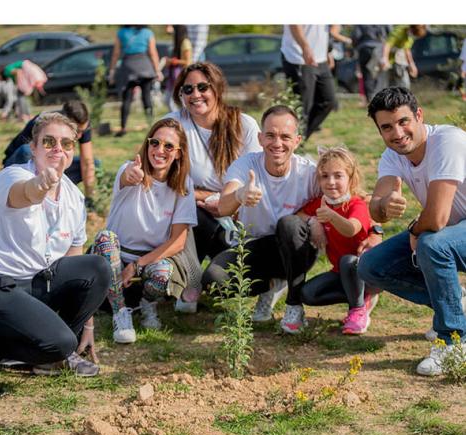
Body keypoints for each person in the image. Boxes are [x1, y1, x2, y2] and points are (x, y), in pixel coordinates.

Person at [0, 112, 112, 378]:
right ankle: (3, 348)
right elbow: (25, 194)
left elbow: (72, 260)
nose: (58, 149)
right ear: (33, 147)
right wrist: (40, 185)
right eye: (49, 142)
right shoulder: (12, 176)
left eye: (66, 144)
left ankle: (55, 350)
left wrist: (87, 326)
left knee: (97, 267)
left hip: (31, 281)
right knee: (60, 341)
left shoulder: (74, 197)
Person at [358, 86, 466, 376]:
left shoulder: (448, 141)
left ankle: (454, 343)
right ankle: (457, 304)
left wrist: (414, 230)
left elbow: (437, 218)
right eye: (387, 127)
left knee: (432, 243)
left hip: (446, 231)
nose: (397, 132)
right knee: (371, 265)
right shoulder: (393, 155)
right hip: (452, 232)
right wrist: (384, 205)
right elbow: (375, 208)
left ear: (419, 115)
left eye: (403, 121)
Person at [202, 105, 321, 330]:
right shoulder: (246, 165)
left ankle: (294, 306)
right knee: (214, 280)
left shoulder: (309, 173)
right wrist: (240, 194)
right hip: (256, 246)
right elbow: (225, 206)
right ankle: (271, 285)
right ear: (260, 138)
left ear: (297, 140)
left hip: (297, 246)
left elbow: (342, 198)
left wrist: (311, 216)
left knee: (289, 224)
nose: (277, 143)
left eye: (285, 137)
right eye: (270, 135)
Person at [166, 62, 263, 311]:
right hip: (199, 217)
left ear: (217, 88)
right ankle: (190, 282)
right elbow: (162, 179)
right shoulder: (174, 126)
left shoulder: (244, 125)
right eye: (187, 90)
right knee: (190, 209)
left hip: (240, 221)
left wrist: (225, 200)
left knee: (221, 279)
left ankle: (271, 281)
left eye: (202, 87)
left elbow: (259, 179)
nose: (195, 95)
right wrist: (205, 196)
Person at [91, 118, 198, 338]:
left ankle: (147, 304)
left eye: (169, 146)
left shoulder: (183, 184)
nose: (160, 150)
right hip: (115, 257)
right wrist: (131, 174)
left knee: (164, 271)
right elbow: (127, 175)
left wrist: (138, 265)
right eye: (155, 142)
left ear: (178, 153)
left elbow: (178, 241)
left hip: (148, 261)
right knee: (104, 238)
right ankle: (120, 314)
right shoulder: (130, 171)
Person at [299, 146, 378, 335]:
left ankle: (358, 310)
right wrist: (313, 222)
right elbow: (299, 214)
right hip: (339, 272)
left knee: (348, 261)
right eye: (324, 176)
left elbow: (351, 229)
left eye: (338, 176)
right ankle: (361, 297)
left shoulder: (356, 204)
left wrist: (331, 217)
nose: (331, 182)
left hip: (365, 272)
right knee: (307, 294)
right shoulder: (322, 203)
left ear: (351, 178)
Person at [2, 100, 98, 209]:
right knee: (27, 151)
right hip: (20, 163)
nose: (80, 135)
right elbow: (39, 158)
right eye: (78, 131)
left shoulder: (81, 126)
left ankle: (55, 191)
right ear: (66, 120)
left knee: (94, 164)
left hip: (49, 168)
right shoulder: (43, 123)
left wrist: (90, 198)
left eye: (83, 131)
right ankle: (31, 196)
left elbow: (87, 161)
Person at [281, 25, 337, 140]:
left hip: (320, 58)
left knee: (328, 101)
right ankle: (294, 145)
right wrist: (305, 47)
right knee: (302, 107)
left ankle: (298, 141)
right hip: (299, 57)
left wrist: (327, 51)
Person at [109, 25, 163, 137]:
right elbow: (153, 53)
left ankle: (123, 127)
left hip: (128, 67)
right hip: (144, 65)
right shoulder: (147, 32)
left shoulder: (122, 32)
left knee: (126, 99)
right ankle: (151, 125)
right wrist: (157, 70)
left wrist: (112, 71)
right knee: (146, 97)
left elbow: (116, 53)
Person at [351, 25, 392, 101]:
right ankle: (381, 99)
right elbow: (391, 34)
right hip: (380, 49)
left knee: (367, 75)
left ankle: (370, 99)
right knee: (380, 75)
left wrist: (355, 47)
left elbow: (355, 36)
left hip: (364, 49)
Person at [380, 25, 427, 89]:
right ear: (411, 29)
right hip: (388, 62)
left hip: (399, 61)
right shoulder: (399, 30)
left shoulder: (409, 37)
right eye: (414, 34)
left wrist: (412, 64)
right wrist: (385, 58)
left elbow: (407, 50)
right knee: (387, 85)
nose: (414, 36)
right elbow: (388, 44)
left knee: (404, 84)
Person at [164, 25, 193, 112]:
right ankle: (177, 119)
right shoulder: (179, 43)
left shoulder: (185, 42)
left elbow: (187, 62)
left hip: (181, 75)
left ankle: (183, 120)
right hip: (175, 75)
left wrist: (174, 61)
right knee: (168, 100)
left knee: (178, 101)